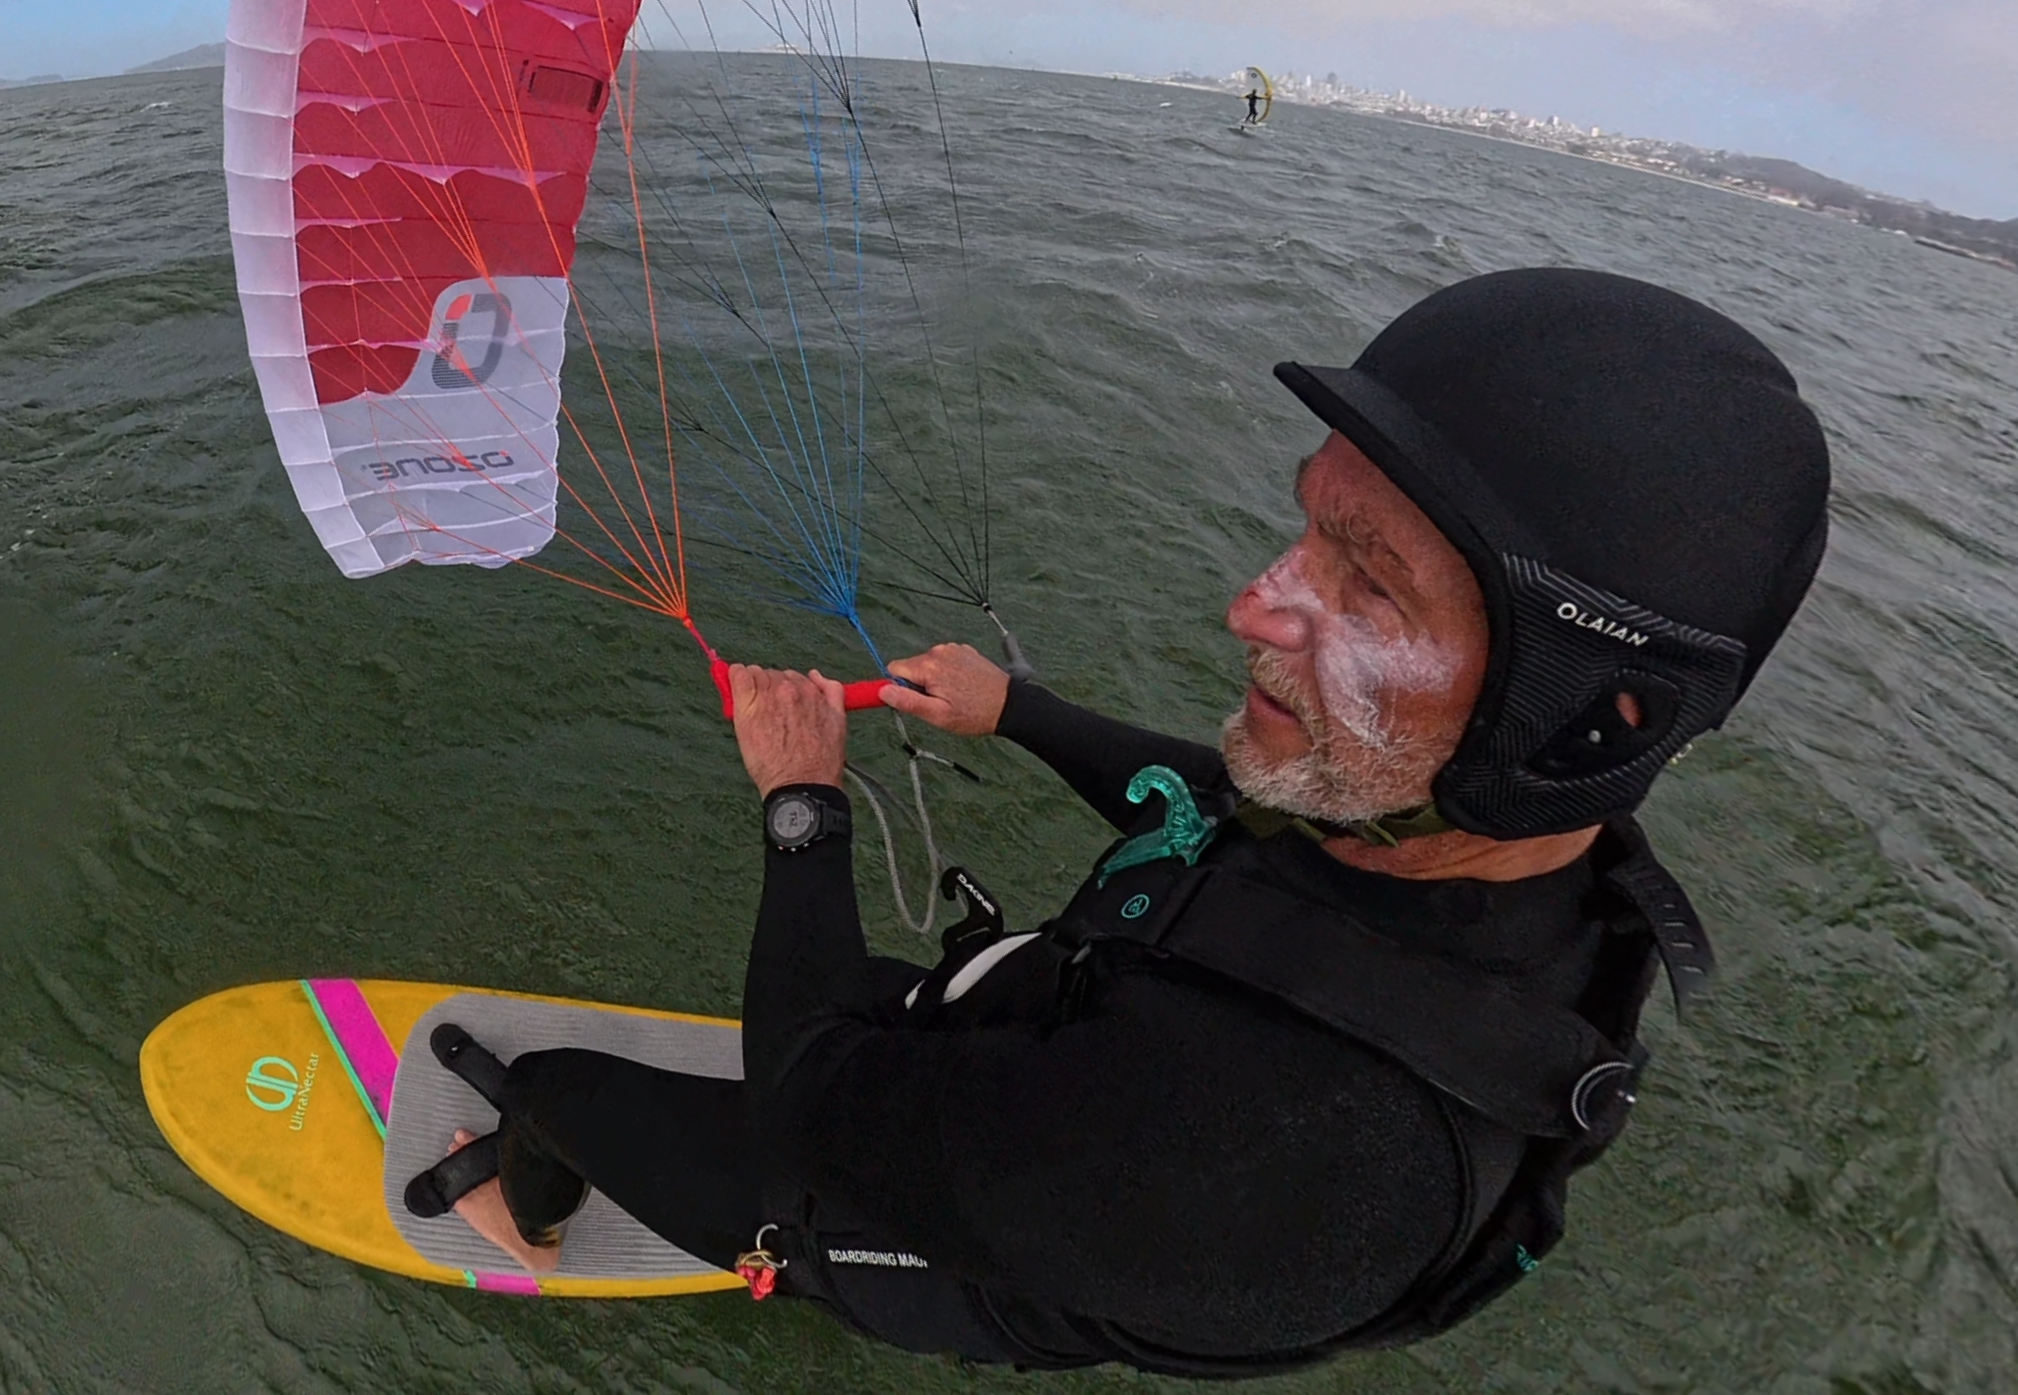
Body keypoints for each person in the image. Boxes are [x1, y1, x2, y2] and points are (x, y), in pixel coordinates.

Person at [403, 267, 1832, 1373]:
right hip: (1047, 1053)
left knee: (570, 1092)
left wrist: (802, 808)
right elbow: (1211, 809)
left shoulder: (1290, 1150)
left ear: (1593, 716)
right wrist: (1015, 709)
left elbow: (809, 1099)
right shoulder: (1438, 835)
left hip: (952, 1239)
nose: (1255, 605)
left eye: (1370, 584)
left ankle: (525, 1197)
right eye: (1309, 528)